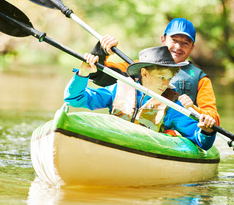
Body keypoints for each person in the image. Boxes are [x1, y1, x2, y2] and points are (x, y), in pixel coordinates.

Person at [64, 46, 217, 150]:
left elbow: (200, 142)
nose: (166, 84)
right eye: (161, 77)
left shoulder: (171, 105)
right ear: (144, 73)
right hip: (114, 143)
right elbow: (74, 99)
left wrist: (206, 131)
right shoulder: (118, 89)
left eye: (168, 78)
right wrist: (82, 74)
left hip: (146, 151)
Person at [87, 18, 220, 125]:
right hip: (144, 127)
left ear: (192, 48)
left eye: (186, 43)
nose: (178, 47)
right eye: (174, 40)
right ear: (163, 40)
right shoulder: (141, 67)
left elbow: (214, 119)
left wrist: (193, 108)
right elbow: (97, 74)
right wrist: (103, 50)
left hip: (178, 133)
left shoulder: (200, 78)